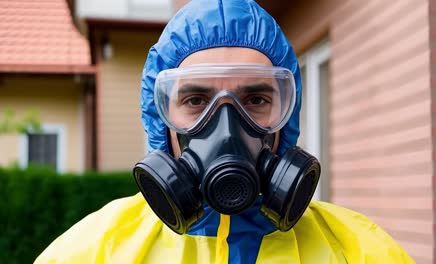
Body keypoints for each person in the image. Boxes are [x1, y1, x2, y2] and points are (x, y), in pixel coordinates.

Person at [36, 0, 414, 263]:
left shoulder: (363, 253)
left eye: (255, 100)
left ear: (288, 114)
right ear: (160, 118)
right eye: (196, 101)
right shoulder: (89, 253)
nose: (228, 129)